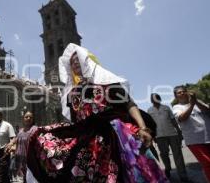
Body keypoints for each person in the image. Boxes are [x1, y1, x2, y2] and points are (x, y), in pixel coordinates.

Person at [27, 43, 168, 182]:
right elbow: (77, 122)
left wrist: (143, 128)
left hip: (119, 133)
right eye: (71, 62)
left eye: (78, 59)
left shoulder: (106, 80)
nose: (75, 63)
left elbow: (129, 104)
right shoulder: (72, 93)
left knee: (140, 170)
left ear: (86, 60)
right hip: (91, 141)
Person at [148, 93, 189, 181]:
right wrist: (152, 136)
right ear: (151, 100)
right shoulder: (149, 110)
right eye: (153, 98)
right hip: (159, 136)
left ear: (159, 99)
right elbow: (150, 124)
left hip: (172, 134)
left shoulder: (166, 108)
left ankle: (183, 175)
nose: (155, 99)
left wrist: (179, 131)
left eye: (157, 98)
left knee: (178, 154)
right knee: (164, 154)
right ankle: (168, 168)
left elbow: (173, 120)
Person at [172, 85, 210, 182]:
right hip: (194, 141)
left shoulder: (197, 102)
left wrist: (195, 102)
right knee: (208, 163)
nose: (182, 93)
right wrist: (192, 105)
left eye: (184, 91)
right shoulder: (176, 107)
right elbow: (182, 118)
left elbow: (207, 110)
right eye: (179, 92)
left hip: (208, 137)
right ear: (176, 96)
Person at [8, 111, 37, 183]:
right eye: (26, 117)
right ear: (23, 119)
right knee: (23, 177)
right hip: (20, 158)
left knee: (30, 177)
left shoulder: (35, 129)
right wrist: (11, 144)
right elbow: (16, 138)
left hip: (30, 158)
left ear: (33, 119)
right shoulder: (21, 130)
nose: (28, 118)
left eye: (30, 117)